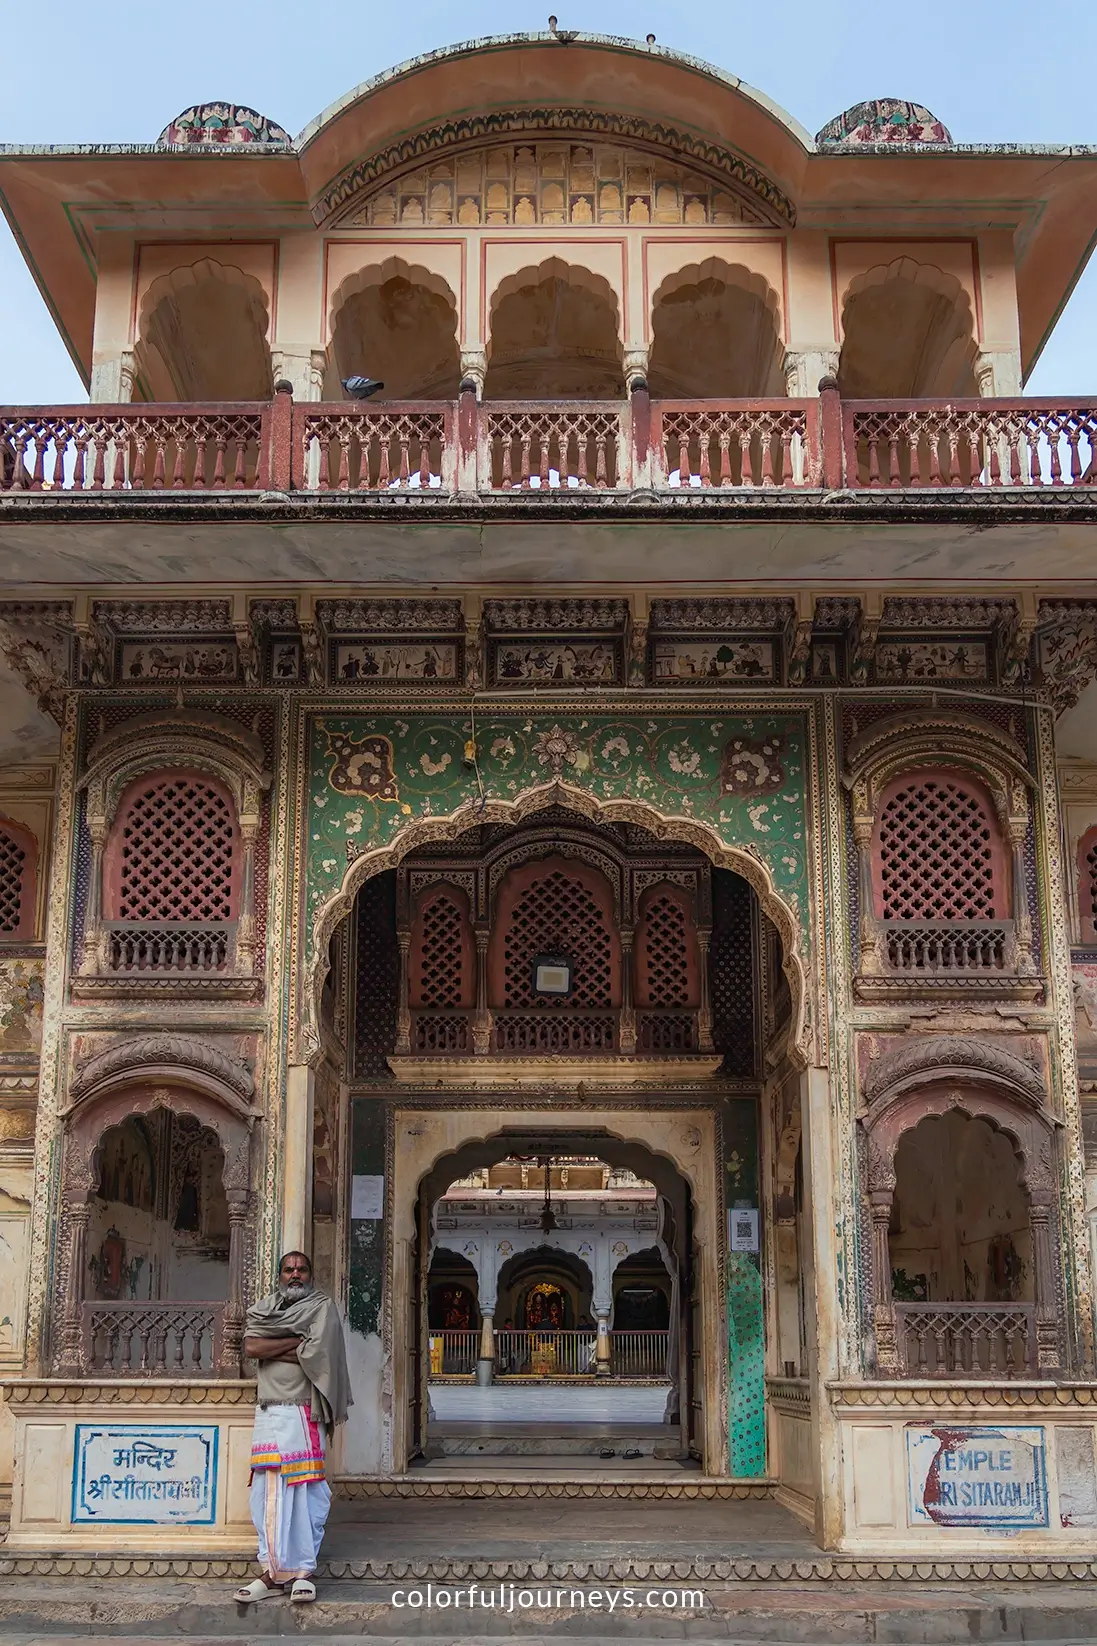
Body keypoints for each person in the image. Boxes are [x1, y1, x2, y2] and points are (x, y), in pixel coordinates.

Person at [234, 1251, 352, 1606]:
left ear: (311, 1274)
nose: (295, 1274)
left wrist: (281, 1347)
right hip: (269, 1411)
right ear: (280, 1275)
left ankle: (303, 1571)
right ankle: (271, 1571)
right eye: (289, 1269)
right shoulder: (264, 1308)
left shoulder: (322, 1307)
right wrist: (298, 1343)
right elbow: (252, 1346)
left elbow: (322, 1353)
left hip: (304, 1410)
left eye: (301, 1269)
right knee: (267, 1493)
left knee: (305, 1493)